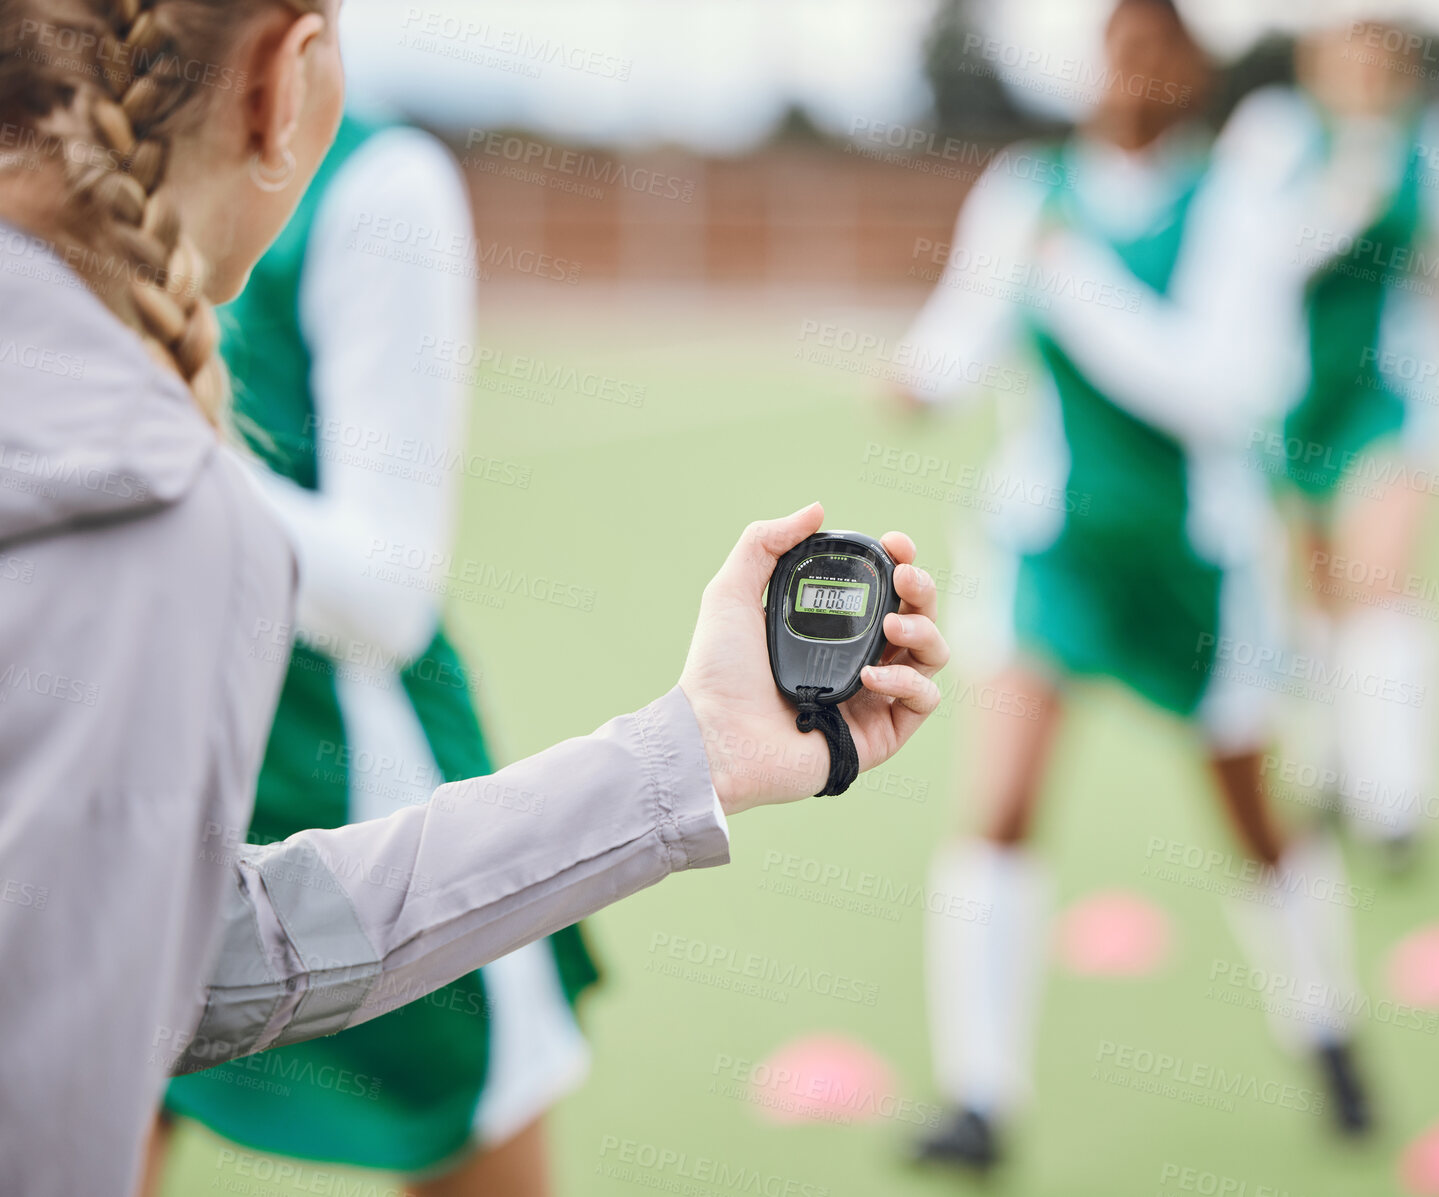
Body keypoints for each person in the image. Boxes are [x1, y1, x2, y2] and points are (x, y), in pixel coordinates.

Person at [0, 3, 949, 1195]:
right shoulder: (158, 507)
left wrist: (695, 752)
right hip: (326, 795)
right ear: (282, 79)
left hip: (298, 814)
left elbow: (166, 955)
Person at [895, 0, 1372, 1172]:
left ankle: (1327, 1031)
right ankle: (977, 1099)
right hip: (1051, 550)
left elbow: (1226, 388)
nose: (1131, 69)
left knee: (1253, 820)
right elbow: (964, 326)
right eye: (1115, 42)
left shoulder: (1236, 202)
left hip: (1197, 567)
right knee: (997, 808)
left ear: (1190, 69)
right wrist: (918, 377)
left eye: (1156, 46)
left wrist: (1076, 289)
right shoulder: (1026, 189)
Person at [141, 112, 598, 1196]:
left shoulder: (375, 183)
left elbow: (385, 594)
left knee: (467, 1131)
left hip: (343, 792)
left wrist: (129, 442)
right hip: (110, 802)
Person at [1271, 23, 1439, 867]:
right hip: (1288, 403)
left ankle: (1397, 801)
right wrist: (1341, 202)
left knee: (1381, 582)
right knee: (1315, 596)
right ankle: (1331, 768)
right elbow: (1255, 255)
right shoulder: (1274, 133)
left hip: (1395, 402)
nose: (1361, 74)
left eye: (1377, 59)